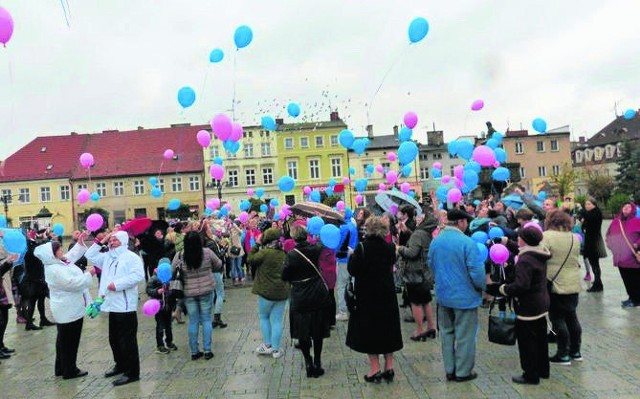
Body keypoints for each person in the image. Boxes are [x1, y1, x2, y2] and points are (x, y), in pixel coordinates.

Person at [487, 226, 551, 385]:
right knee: (541, 339)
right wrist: (506, 241)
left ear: (526, 240)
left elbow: (521, 285)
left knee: (527, 341)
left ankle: (530, 374)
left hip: (528, 307)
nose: (518, 240)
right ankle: (543, 369)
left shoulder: (525, 260)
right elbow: (521, 247)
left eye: (520, 237)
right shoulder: (539, 253)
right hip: (541, 303)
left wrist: (502, 289)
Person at [428, 208, 485, 382]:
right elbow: (476, 271)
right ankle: (463, 371)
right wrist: (482, 288)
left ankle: (450, 369)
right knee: (465, 335)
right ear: (460, 222)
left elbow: (431, 264)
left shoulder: (436, 242)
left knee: (446, 333)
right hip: (465, 296)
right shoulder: (467, 242)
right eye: (465, 222)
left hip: (444, 295)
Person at [346, 216, 403, 383]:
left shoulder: (362, 248)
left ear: (368, 229)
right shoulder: (389, 247)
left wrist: (352, 256)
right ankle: (389, 366)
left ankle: (375, 368)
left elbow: (353, 270)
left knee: (370, 330)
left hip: (367, 296)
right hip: (387, 294)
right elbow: (391, 262)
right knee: (388, 329)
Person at [85, 230, 145, 386]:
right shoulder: (108, 257)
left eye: (115, 240)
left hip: (125, 306)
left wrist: (117, 285)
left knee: (128, 341)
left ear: (123, 242)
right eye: (110, 240)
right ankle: (120, 364)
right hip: (111, 305)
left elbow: (138, 276)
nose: (111, 243)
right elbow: (89, 255)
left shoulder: (131, 257)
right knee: (114, 340)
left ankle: (132, 372)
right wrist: (103, 239)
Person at [34, 236, 96, 379]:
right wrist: (89, 274)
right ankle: (70, 370)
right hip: (68, 309)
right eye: (59, 249)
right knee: (70, 341)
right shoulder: (54, 269)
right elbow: (72, 284)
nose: (62, 251)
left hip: (69, 307)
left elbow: (70, 256)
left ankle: (61, 367)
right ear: (52, 254)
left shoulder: (58, 262)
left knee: (63, 339)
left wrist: (80, 244)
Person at [282, 224, 331, 378]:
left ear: (294, 237)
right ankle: (317, 361)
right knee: (317, 330)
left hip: (300, 295)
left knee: (302, 332)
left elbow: (284, 276)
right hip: (317, 293)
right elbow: (322, 241)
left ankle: (308, 361)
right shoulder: (315, 249)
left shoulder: (292, 255)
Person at [172, 231, 221, 360]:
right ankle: (207, 350)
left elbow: (172, 271)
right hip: (206, 291)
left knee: (193, 321)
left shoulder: (180, 255)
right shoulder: (207, 253)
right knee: (206, 320)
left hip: (189, 293)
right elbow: (219, 264)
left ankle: (194, 351)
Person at [542, 210, 583, 365]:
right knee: (572, 317)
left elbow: (541, 255)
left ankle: (563, 353)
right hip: (572, 282)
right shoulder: (574, 238)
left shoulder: (547, 236)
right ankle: (575, 351)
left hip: (555, 282)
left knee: (557, 318)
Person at [247, 228, 290, 359]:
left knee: (264, 317)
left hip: (265, 293)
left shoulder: (264, 253)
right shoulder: (283, 253)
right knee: (277, 321)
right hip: (281, 292)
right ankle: (276, 350)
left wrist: (257, 244)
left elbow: (250, 259)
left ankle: (267, 345)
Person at [397, 213, 438, 341]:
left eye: (420, 217)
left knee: (415, 302)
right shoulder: (426, 233)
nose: (417, 218)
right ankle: (431, 327)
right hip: (425, 272)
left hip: (414, 272)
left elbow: (412, 252)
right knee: (426, 300)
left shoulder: (418, 234)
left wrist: (399, 248)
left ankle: (420, 330)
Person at [605, 202, 640, 307]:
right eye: (624, 206)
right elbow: (608, 234)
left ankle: (636, 299)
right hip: (620, 257)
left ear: (633, 210)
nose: (626, 208)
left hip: (633, 257)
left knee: (635, 279)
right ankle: (631, 297)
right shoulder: (616, 221)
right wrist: (611, 245)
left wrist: (637, 244)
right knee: (626, 279)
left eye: (629, 207)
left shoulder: (637, 221)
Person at [22, 228, 55, 330]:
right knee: (32, 301)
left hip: (39, 278)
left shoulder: (32, 246)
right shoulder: (29, 249)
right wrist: (46, 239)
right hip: (33, 279)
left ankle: (43, 319)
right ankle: (29, 323)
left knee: (41, 300)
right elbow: (38, 250)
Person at [199, 220, 228, 329]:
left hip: (207, 270)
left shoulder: (203, 242)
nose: (212, 229)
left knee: (211, 295)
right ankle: (217, 318)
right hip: (215, 270)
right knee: (220, 294)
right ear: (206, 230)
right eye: (209, 227)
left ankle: (208, 317)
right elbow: (216, 257)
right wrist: (224, 250)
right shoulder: (210, 243)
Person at [146, 264, 178, 354]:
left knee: (168, 326)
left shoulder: (170, 278)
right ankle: (160, 345)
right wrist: (157, 291)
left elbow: (173, 293)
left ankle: (169, 342)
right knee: (160, 326)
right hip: (158, 307)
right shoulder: (154, 279)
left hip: (168, 306)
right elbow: (148, 290)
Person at [335, 210, 358, 322]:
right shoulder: (352, 226)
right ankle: (354, 306)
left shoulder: (343, 227)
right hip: (352, 257)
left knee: (341, 285)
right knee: (352, 283)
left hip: (343, 259)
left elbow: (338, 244)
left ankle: (343, 311)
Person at [581, 198, 606, 292]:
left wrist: (582, 212)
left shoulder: (596, 213)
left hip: (594, 242)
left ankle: (598, 284)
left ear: (594, 205)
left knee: (595, 263)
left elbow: (590, 219)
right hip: (590, 241)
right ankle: (597, 281)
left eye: (589, 204)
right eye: (586, 204)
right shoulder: (590, 214)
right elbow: (584, 226)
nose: (586, 206)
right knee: (593, 263)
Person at [1, 253, 19, 361]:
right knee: (1, 321)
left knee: (4, 319)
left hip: (3, 291)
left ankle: (1, 345)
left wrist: (9, 262)